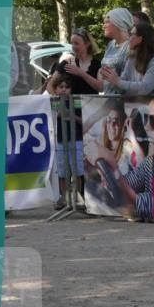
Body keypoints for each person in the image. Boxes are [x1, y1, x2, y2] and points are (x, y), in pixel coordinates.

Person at [90, 96, 154, 222]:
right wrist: (104, 171)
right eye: (146, 119)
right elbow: (127, 183)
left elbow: (144, 204)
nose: (146, 127)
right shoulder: (151, 162)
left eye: (153, 121)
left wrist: (113, 166)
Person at [100, 22, 154, 97]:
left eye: (132, 34)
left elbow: (145, 88)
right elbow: (122, 90)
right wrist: (112, 79)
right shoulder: (131, 58)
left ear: (140, 39)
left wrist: (118, 81)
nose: (129, 38)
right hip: (129, 106)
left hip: (150, 107)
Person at [47, 74, 85, 209]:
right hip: (60, 141)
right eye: (60, 87)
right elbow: (52, 118)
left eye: (67, 87)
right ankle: (64, 197)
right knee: (63, 172)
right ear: (56, 89)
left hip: (77, 140)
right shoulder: (53, 101)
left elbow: (83, 120)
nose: (64, 90)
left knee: (78, 170)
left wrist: (70, 113)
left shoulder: (76, 101)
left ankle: (78, 197)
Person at [51, 27, 102, 94]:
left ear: (87, 44)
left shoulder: (97, 64)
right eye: (72, 43)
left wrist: (81, 73)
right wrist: (59, 100)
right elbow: (50, 85)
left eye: (76, 43)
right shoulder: (66, 63)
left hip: (91, 104)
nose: (73, 46)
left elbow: (101, 88)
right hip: (70, 104)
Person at [99, 8, 134, 93]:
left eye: (107, 22)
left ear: (118, 23)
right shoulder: (110, 45)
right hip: (109, 98)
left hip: (125, 100)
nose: (104, 26)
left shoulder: (132, 46)